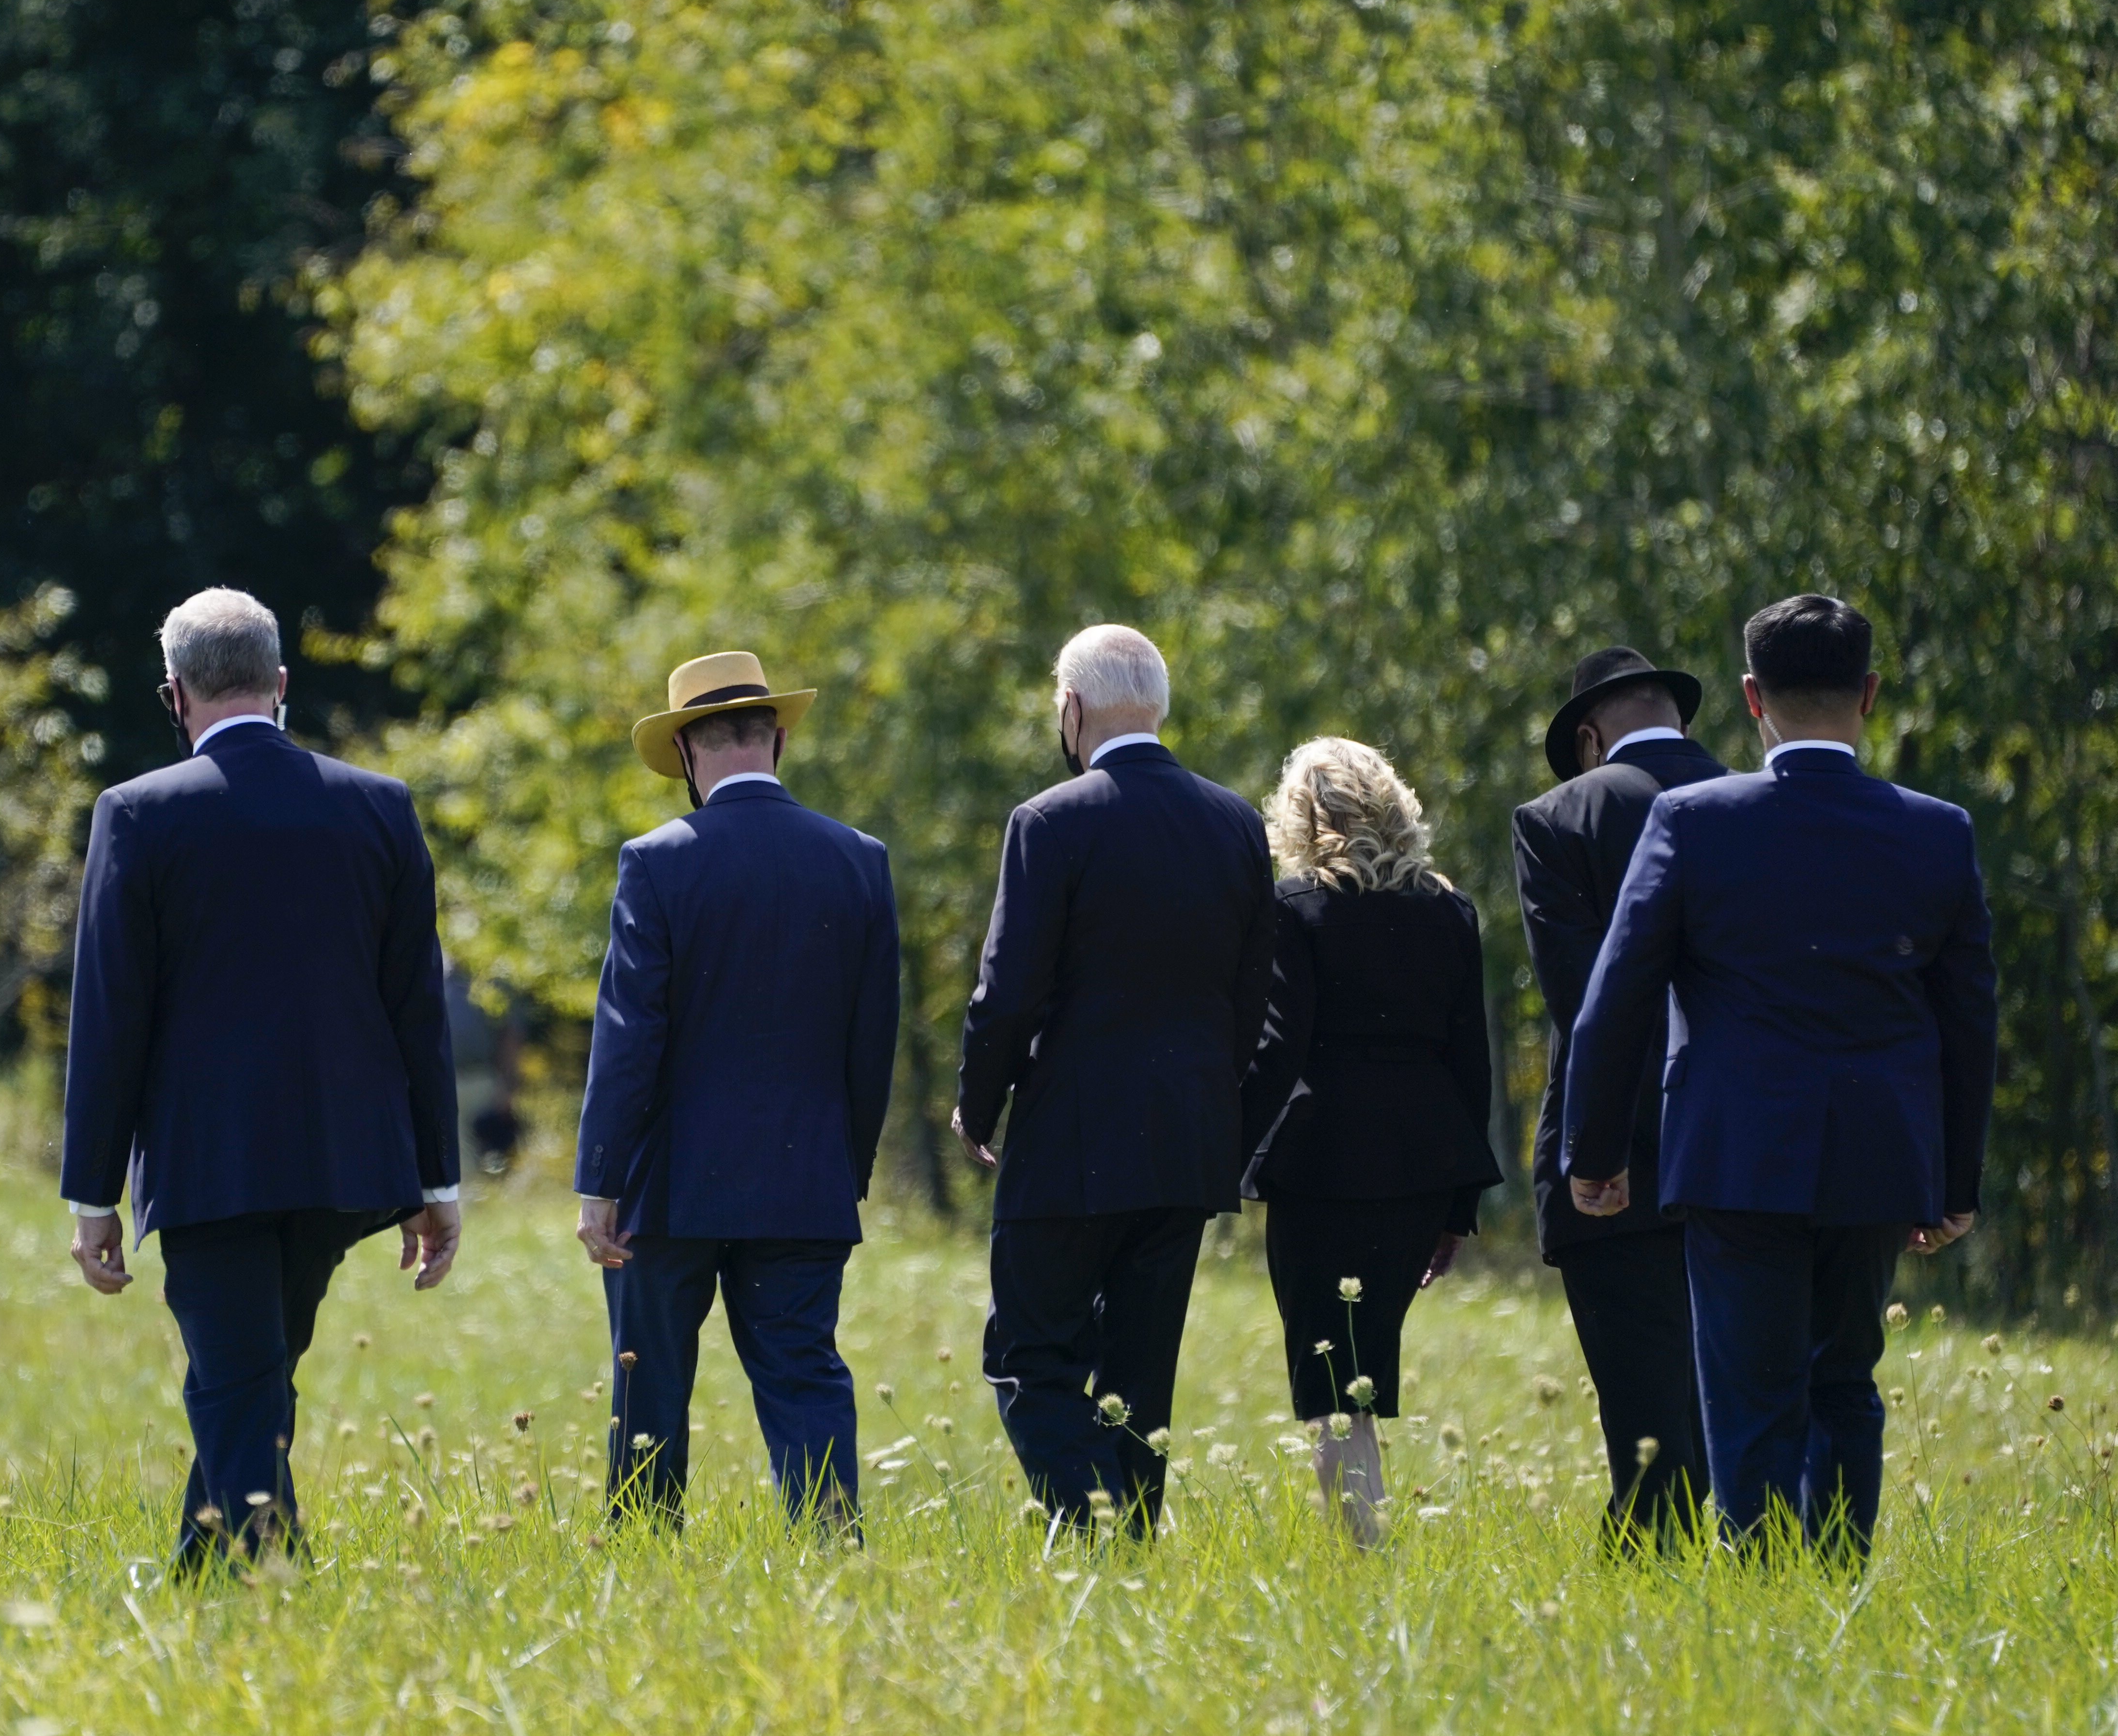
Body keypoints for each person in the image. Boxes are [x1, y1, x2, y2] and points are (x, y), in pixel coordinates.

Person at [1566, 595, 1997, 1561]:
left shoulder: (1690, 819)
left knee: (1747, 1386)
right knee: (1843, 1374)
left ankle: (1761, 1586)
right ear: (1869, 693)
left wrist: (1592, 1152)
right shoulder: (1937, 831)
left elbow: (1616, 996)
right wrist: (1953, 1178)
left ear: (1751, 696)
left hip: (1734, 1152)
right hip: (1877, 1153)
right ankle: (1835, 1576)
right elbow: (1968, 1018)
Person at [59, 587, 463, 1572]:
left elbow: (111, 1015)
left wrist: (90, 1192)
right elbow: (418, 1004)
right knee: (253, 1376)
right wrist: (437, 1180)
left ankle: (267, 1575)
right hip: (345, 1158)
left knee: (239, 1378)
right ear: (280, 684)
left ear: (173, 694)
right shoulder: (379, 805)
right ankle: (210, 1576)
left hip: (208, 1158)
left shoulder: (137, 814)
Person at [955, 624, 1274, 1538]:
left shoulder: (1051, 821)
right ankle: (1127, 1544)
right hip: (1189, 1143)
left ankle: (1091, 1522)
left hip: (1070, 1139)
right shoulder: (1234, 822)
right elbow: (1251, 996)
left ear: (1071, 708)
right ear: (1158, 704)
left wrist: (979, 1107)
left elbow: (1005, 992)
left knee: (1026, 1354)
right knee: (1141, 1373)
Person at [574, 651, 901, 1530]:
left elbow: (629, 1035)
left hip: (669, 1184)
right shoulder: (858, 860)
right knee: (804, 1377)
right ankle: (831, 1549)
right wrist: (848, 1166)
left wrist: (598, 1179)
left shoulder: (655, 862)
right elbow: (872, 1045)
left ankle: (644, 1552)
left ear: (685, 751)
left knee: (649, 1382)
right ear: (779, 738)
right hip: (805, 1178)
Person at [1240, 737, 1504, 1545]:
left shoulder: (1295, 908)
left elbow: (1280, 1046)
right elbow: (1471, 1066)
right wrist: (1458, 1206)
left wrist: (1222, 1149)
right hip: (1421, 1163)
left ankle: (1362, 1550)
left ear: (1303, 817)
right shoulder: (1448, 911)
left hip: (1321, 1162)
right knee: (1363, 1368)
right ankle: (1363, 1541)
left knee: (1329, 1380)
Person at [1511, 647, 1727, 1548]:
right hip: (1741, 1145)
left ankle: (1642, 1586)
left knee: (1643, 1425)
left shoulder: (1558, 816)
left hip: (1619, 1156)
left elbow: (1584, 1002)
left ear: (1589, 737)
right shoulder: (1753, 797)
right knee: (1727, 1400)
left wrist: (1595, 1156)